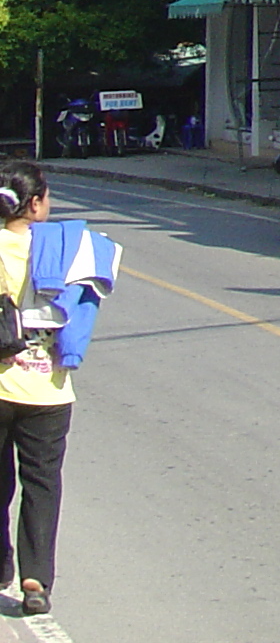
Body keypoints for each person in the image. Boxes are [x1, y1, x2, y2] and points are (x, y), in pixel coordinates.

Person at [0, 160, 117, 617]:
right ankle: (35, 581)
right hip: (47, 391)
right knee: (42, 485)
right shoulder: (70, 249)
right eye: (46, 197)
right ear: (34, 204)